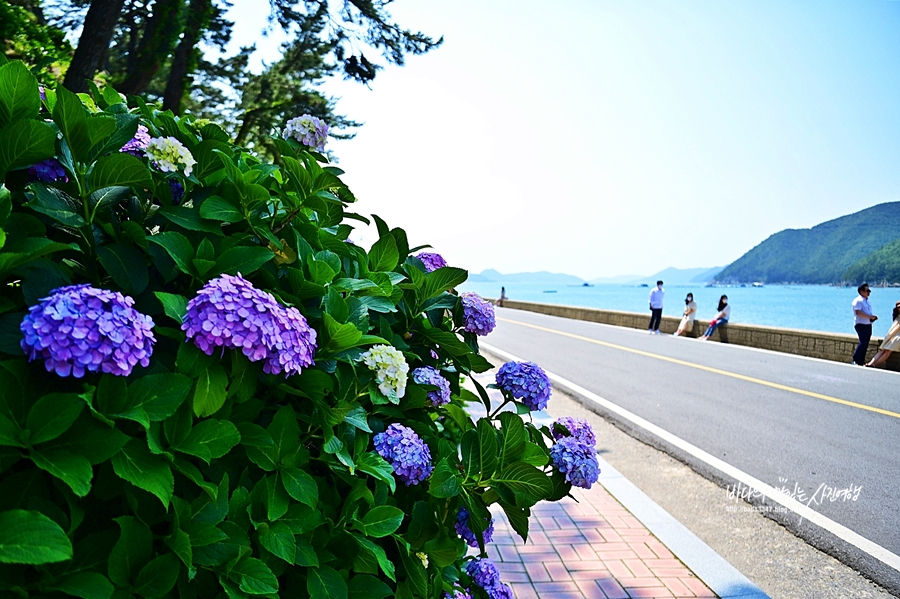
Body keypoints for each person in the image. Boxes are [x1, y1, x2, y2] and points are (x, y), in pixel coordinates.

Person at [866, 301, 900, 367]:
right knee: (882, 350)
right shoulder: (897, 316)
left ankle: (874, 364)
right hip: (892, 336)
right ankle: (871, 363)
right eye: (898, 307)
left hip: (897, 337)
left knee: (888, 351)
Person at [851, 283, 878, 365]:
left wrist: (872, 318)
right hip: (860, 324)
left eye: (869, 290)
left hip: (868, 324)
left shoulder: (867, 301)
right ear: (861, 291)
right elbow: (858, 312)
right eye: (867, 291)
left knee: (866, 343)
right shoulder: (858, 301)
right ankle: (855, 359)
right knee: (863, 342)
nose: (869, 292)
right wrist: (869, 316)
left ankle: (861, 360)